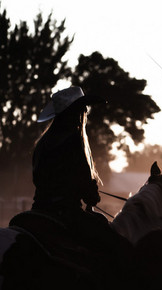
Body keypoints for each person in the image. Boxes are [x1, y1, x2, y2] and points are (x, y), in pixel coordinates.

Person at [27, 86, 129, 256]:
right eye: (82, 109)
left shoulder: (42, 144)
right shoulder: (73, 141)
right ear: (75, 112)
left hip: (39, 209)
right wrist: (92, 195)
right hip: (65, 213)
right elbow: (86, 187)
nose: (84, 113)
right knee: (113, 245)